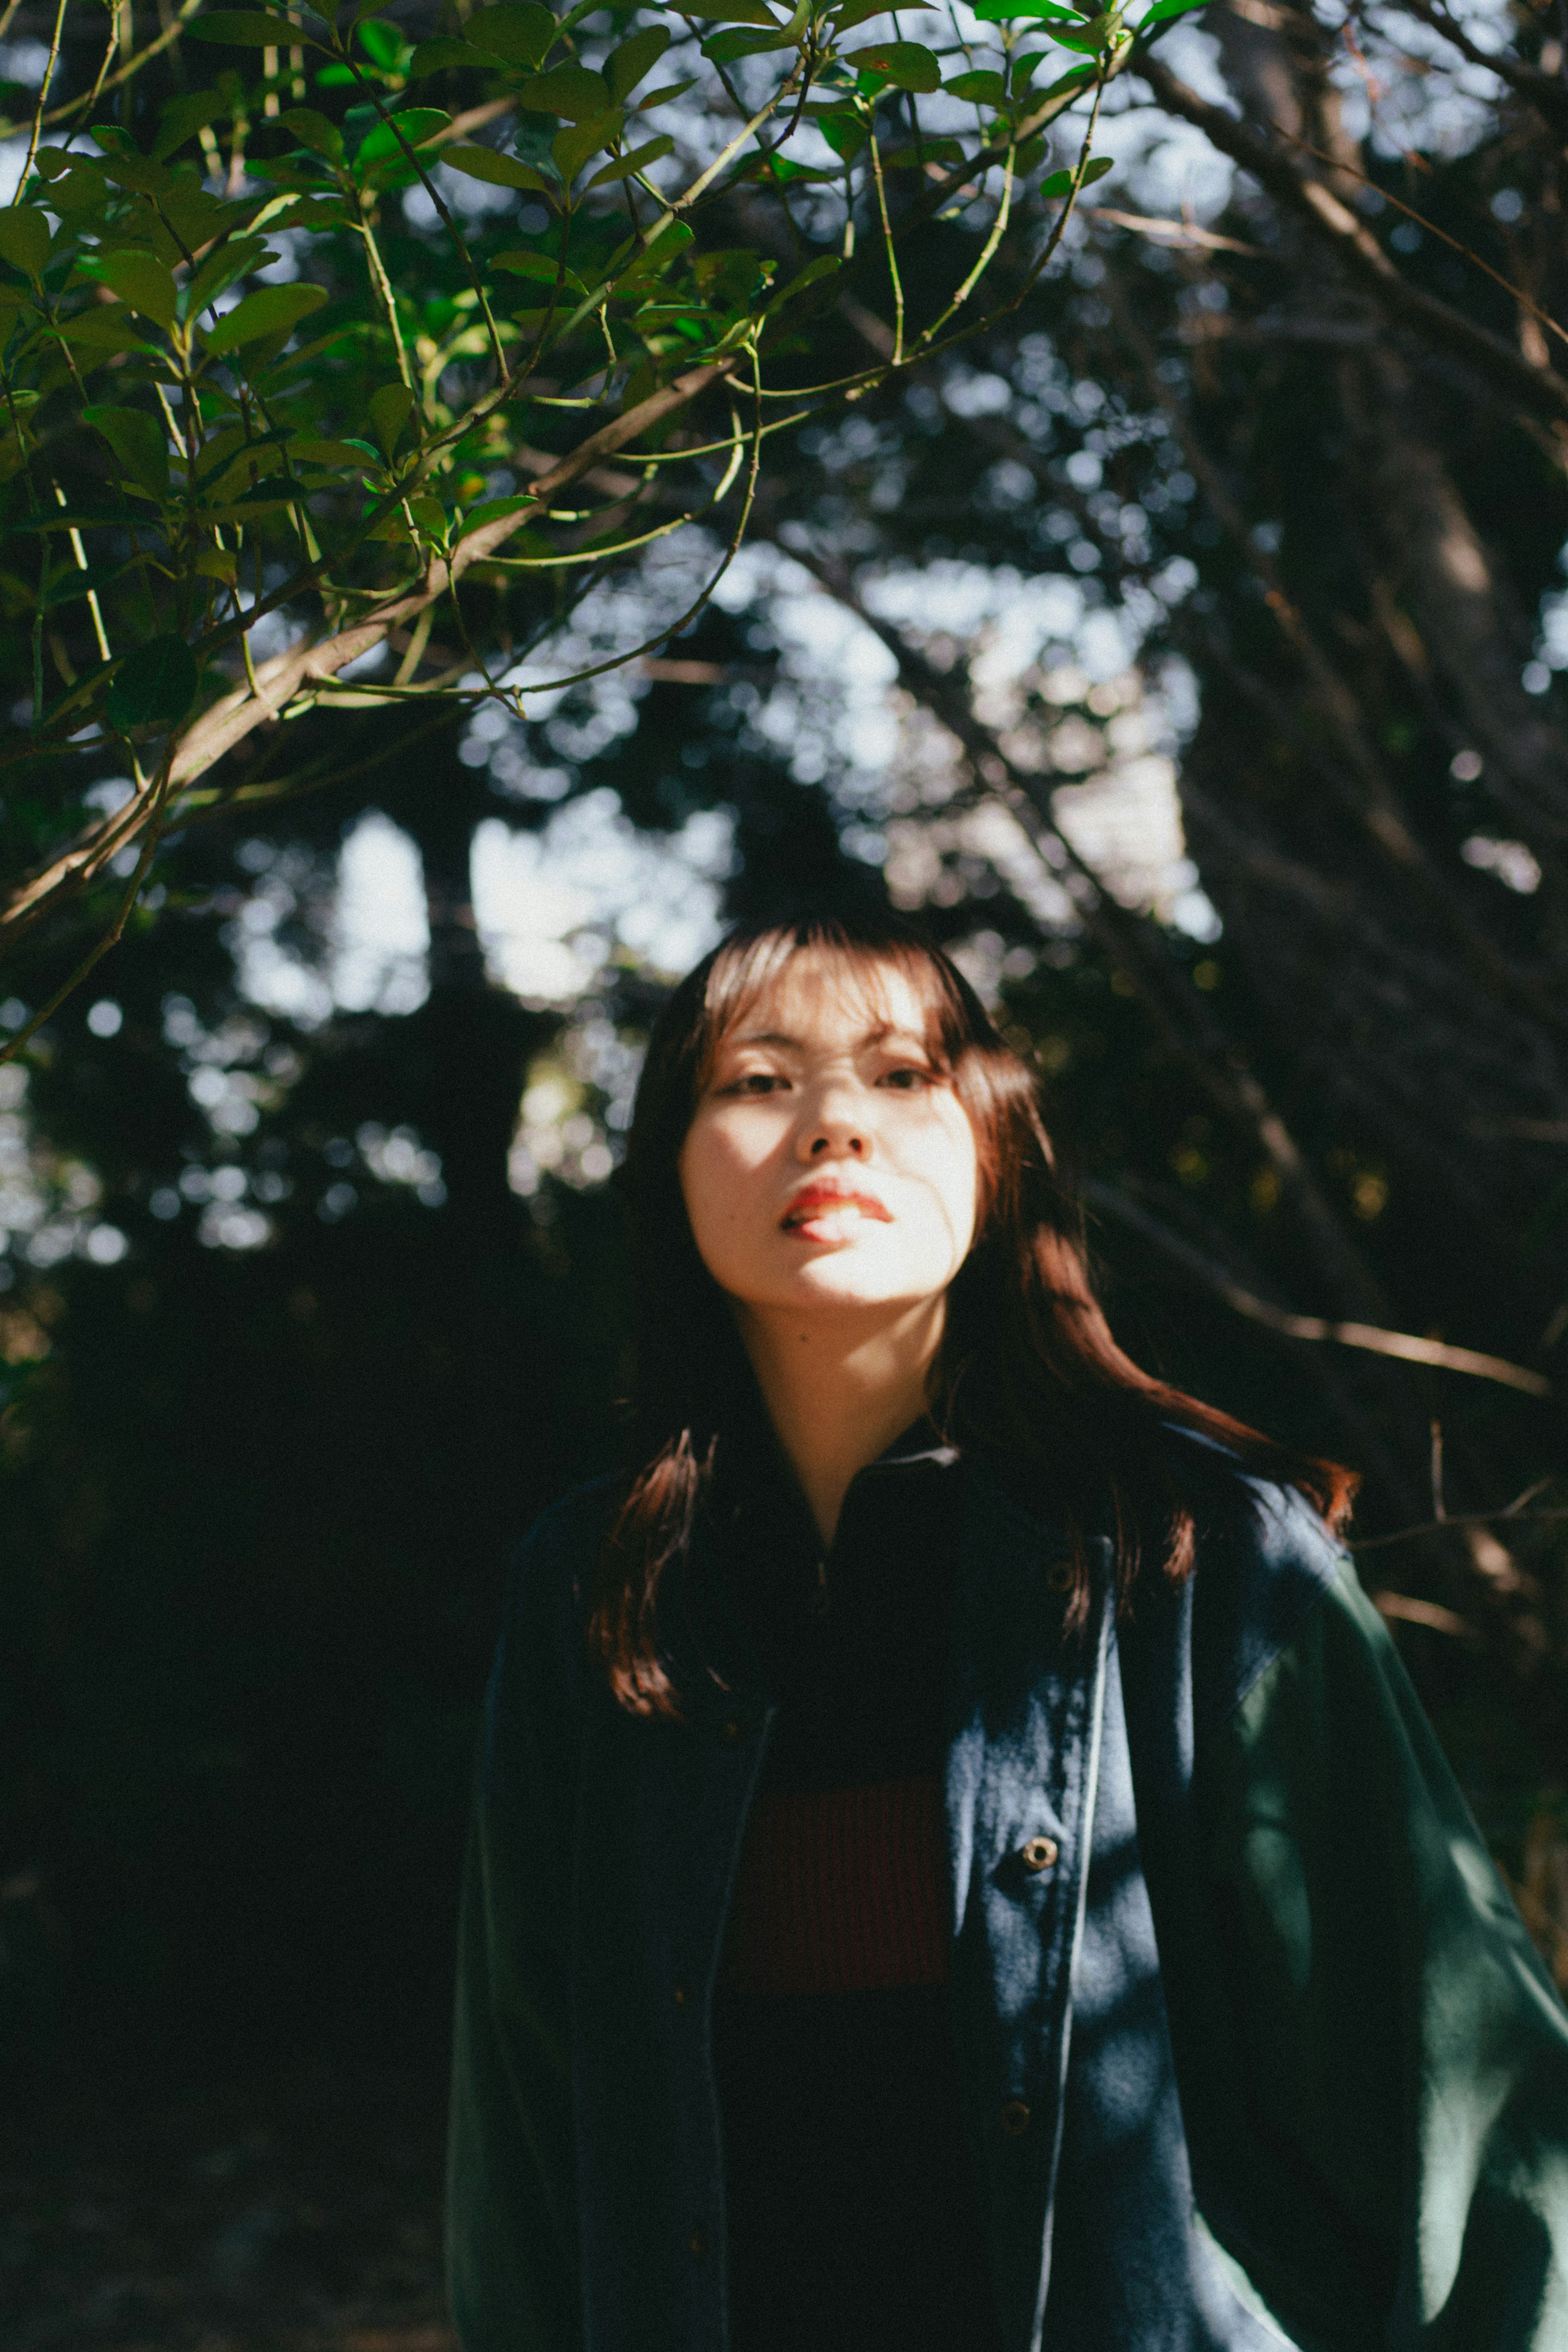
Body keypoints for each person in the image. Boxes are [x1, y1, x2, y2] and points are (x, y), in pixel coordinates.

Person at [446, 912, 1568, 2352]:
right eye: (757, 1081)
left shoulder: (1196, 1557)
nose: (832, 1126)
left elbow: (1463, 2108)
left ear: (996, 1149)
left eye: (901, 1074)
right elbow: (528, 2144)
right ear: (671, 1171)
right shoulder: (598, 1597)